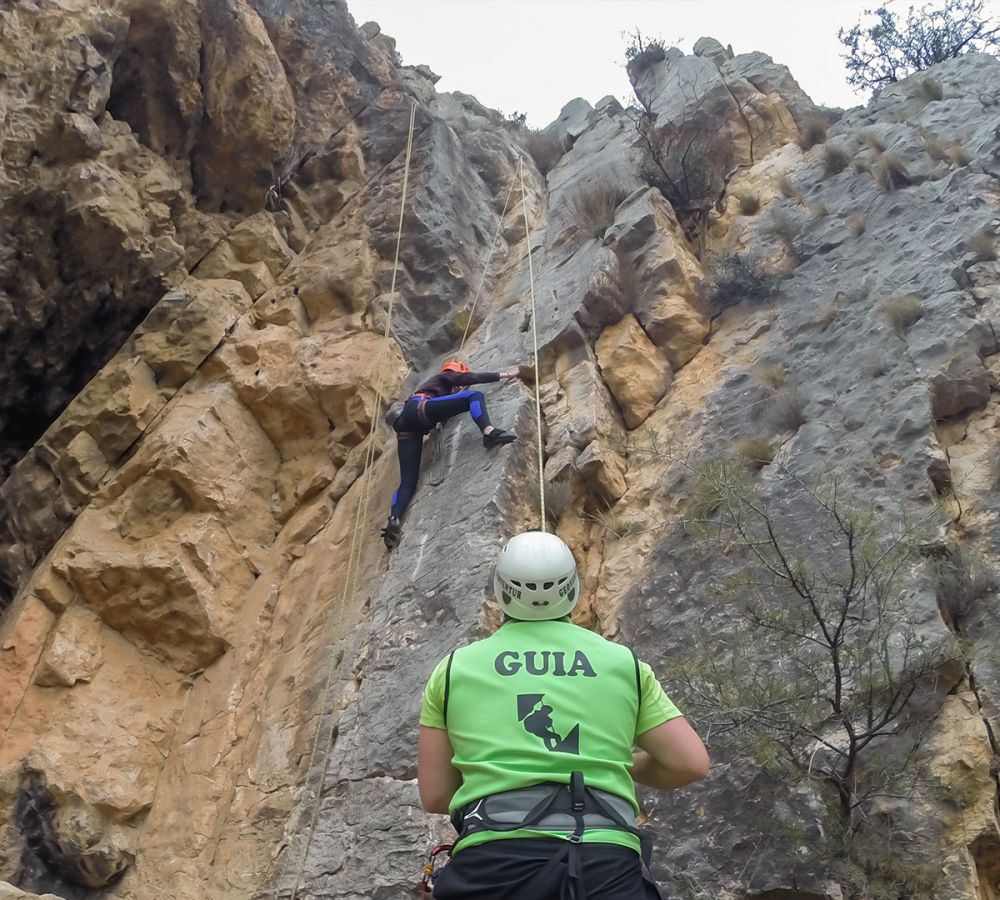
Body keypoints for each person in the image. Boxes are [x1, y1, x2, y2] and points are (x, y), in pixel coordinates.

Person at [417, 531, 710, 899]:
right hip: (607, 867)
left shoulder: (455, 669)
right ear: (572, 588)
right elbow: (690, 763)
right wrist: (612, 764)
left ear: (501, 589)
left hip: (494, 867)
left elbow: (436, 794)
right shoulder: (623, 665)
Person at [381, 360, 521, 550]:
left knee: (408, 481)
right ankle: (489, 433)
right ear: (457, 373)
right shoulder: (445, 376)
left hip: (407, 425)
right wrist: (507, 374)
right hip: (420, 409)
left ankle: (394, 520)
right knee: (474, 396)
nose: (461, 385)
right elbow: (472, 378)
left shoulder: (435, 387)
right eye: (460, 380)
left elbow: (445, 406)